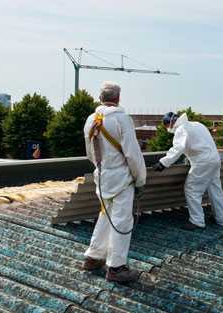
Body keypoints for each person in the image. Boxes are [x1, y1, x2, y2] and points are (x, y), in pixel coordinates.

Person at [82, 81, 147, 283]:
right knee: (121, 220)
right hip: (121, 179)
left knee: (106, 216)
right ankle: (117, 268)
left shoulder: (91, 120)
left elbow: (90, 153)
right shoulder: (122, 119)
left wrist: (104, 169)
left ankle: (93, 257)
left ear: (100, 98)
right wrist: (140, 179)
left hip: (102, 177)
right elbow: (133, 155)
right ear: (118, 98)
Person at [153, 112, 223, 230]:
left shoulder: (181, 129)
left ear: (170, 123)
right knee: (215, 189)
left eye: (166, 126)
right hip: (214, 159)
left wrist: (163, 163)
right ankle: (221, 219)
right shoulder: (197, 124)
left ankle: (197, 221)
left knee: (192, 189)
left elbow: (178, 148)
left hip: (202, 162)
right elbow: (199, 143)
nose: (168, 129)